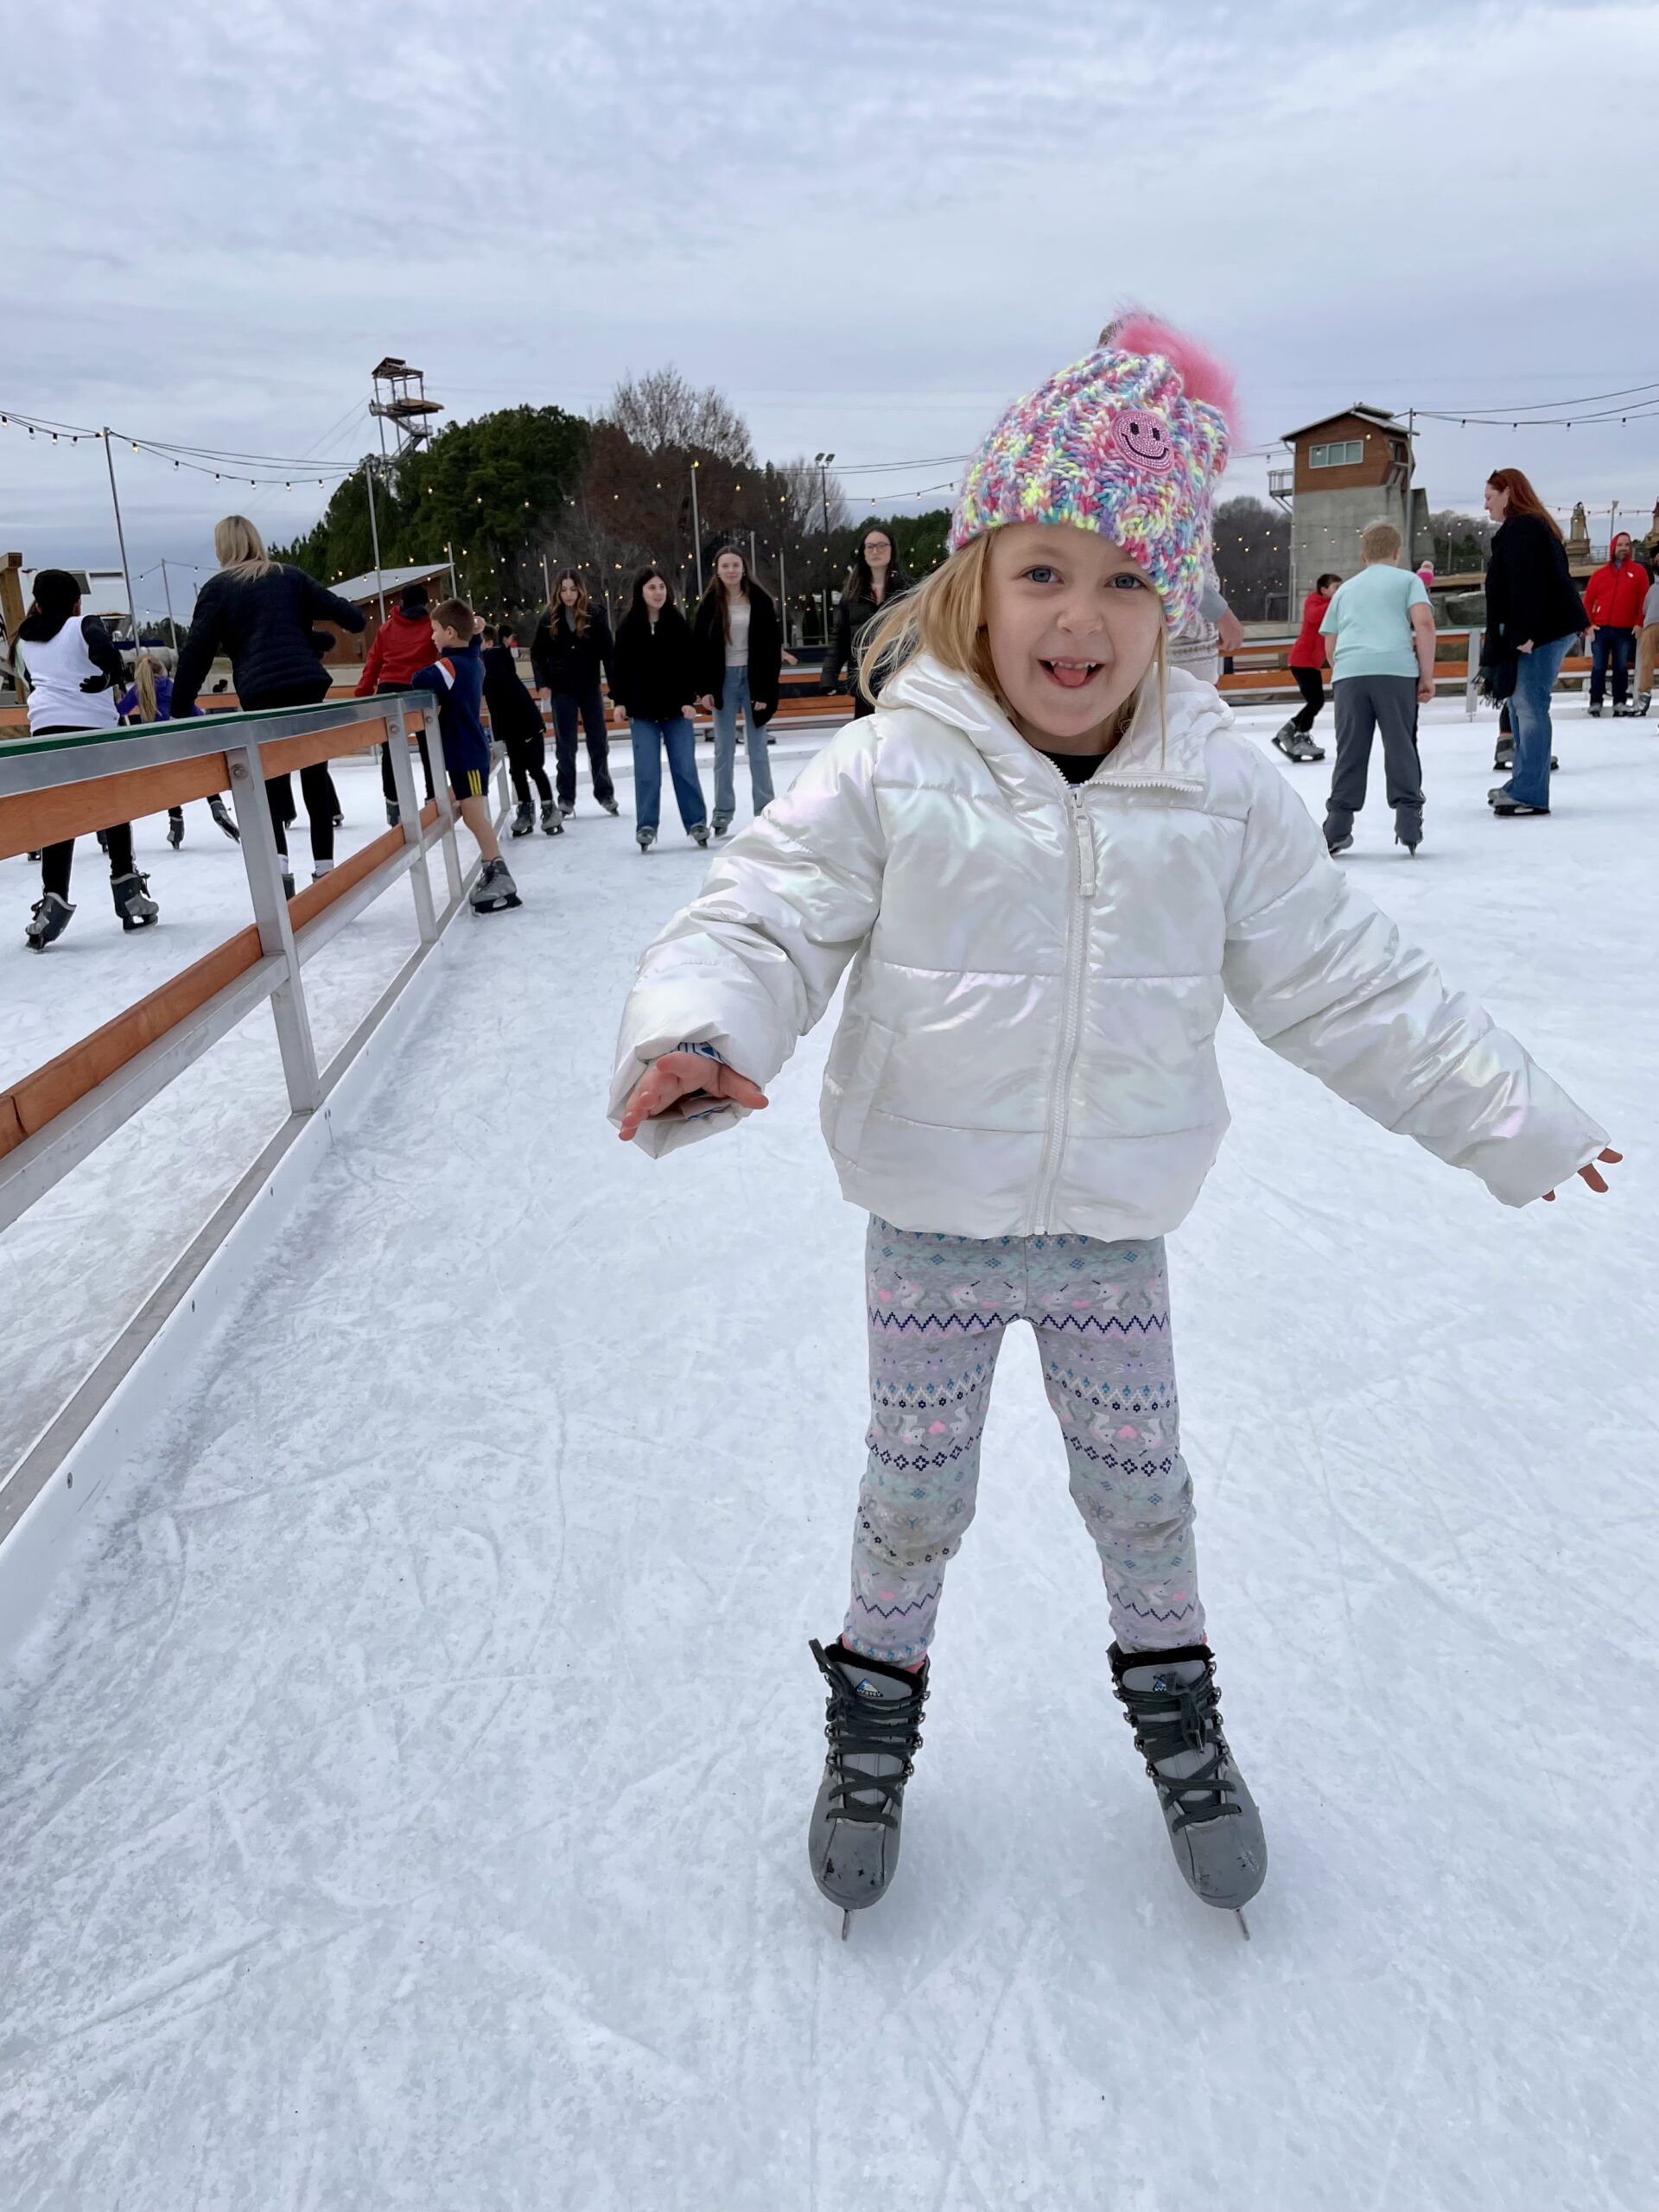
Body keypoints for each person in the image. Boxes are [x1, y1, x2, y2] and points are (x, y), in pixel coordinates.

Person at [608, 315, 1618, 1936]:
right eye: (1044, 572)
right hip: (930, 1218)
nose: (1081, 618)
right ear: (973, 583)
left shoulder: (1220, 789)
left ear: (1180, 605)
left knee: (1142, 1492)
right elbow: (767, 914)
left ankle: (1181, 1723)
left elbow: (1350, 984)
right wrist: (700, 1030)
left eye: (1129, 579)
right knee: (912, 1490)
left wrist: (1512, 1114)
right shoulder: (889, 768)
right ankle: (871, 1726)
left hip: (1111, 1229)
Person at [171, 518, 366, 894]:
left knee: (270, 778)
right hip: (307, 685)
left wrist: (179, 710)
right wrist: (311, 636)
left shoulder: (219, 589)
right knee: (314, 772)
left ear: (222, 548)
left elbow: (197, 653)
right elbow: (354, 619)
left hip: (261, 691)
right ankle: (325, 871)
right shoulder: (290, 576)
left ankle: (280, 874)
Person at [10, 568, 159, 949]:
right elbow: (104, 650)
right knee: (113, 806)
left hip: (45, 731)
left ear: (39, 605)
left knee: (60, 814)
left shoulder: (24, 640)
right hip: (93, 730)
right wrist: (110, 674)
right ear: (77, 602)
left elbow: (31, 679)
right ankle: (128, 891)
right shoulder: (83, 625)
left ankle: (52, 902)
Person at [1318, 522, 1434, 855]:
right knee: (1401, 744)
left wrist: (1343, 671)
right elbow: (1424, 624)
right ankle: (1409, 821)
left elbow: (1330, 641)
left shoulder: (1345, 591)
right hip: (1395, 671)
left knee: (1350, 749)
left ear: (1363, 555)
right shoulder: (1408, 581)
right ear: (1397, 553)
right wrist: (1426, 675)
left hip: (1351, 674)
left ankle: (1338, 825)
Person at [1480, 468, 1589, 817]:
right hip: (1547, 628)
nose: (1486, 506)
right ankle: (1523, 783)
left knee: (1528, 706)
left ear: (1508, 492)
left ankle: (1530, 792)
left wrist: (1525, 632)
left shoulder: (1524, 528)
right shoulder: (1527, 527)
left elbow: (1529, 584)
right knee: (1521, 705)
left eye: (1489, 497)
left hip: (1542, 631)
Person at [410, 596, 520, 913]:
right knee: (469, 810)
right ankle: (493, 869)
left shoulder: (450, 666)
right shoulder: (471, 662)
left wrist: (467, 636)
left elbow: (419, 678)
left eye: (434, 631)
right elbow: (468, 651)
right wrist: (472, 633)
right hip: (466, 751)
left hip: (467, 753)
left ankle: (497, 870)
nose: (431, 637)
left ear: (448, 632)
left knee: (473, 814)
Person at [612, 569, 710, 853]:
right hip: (642, 713)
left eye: (662, 586)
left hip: (677, 712)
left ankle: (696, 822)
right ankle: (646, 825)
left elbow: (689, 665)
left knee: (685, 769)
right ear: (640, 592)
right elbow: (620, 667)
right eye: (652, 587)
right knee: (647, 773)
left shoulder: (677, 624)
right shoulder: (628, 626)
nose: (658, 592)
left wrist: (689, 700)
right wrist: (619, 701)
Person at [693, 544, 785, 834]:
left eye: (735, 565)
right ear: (717, 571)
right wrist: (704, 688)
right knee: (724, 751)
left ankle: (764, 810)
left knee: (758, 750)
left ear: (743, 568)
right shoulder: (709, 604)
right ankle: (722, 813)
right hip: (724, 682)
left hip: (754, 681)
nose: (730, 570)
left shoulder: (760, 601)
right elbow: (700, 650)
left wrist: (766, 692)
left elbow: (771, 649)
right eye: (725, 566)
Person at [115, 654, 238, 849]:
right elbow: (195, 712)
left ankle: (176, 825)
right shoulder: (172, 686)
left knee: (170, 785)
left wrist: (118, 698)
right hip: (185, 742)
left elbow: (120, 710)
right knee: (204, 777)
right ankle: (217, 805)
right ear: (162, 670)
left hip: (159, 748)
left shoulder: (139, 691)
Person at [530, 573, 618, 818]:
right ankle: (566, 798)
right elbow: (537, 653)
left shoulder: (595, 615)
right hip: (562, 689)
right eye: (564, 590)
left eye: (573, 589)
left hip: (589, 686)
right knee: (565, 746)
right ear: (558, 592)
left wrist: (615, 688)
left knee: (598, 740)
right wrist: (543, 683)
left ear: (580, 590)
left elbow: (608, 653)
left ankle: (605, 792)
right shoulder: (549, 618)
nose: (568, 594)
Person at [356, 581, 441, 823]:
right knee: (429, 745)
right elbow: (442, 657)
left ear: (401, 603)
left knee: (391, 750)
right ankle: (434, 799)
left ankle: (394, 805)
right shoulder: (431, 627)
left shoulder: (386, 629)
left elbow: (373, 664)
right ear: (425, 603)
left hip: (389, 690)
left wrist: (361, 695)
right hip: (421, 688)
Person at [819, 527, 911, 716]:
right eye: (870, 547)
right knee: (867, 738)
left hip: (899, 682)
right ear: (863, 553)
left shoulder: (907, 590)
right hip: (865, 682)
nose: (875, 551)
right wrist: (829, 676)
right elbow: (840, 639)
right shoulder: (852, 595)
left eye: (881, 546)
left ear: (892, 549)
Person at [480, 623, 560, 838]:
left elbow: (495, 659)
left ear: (488, 643)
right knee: (516, 770)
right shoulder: (485, 664)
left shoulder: (495, 656)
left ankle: (549, 807)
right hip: (510, 726)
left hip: (526, 722)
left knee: (534, 768)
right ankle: (526, 808)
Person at [1274, 571, 1340, 763]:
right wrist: (1334, 603)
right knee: (1316, 701)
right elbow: (1312, 616)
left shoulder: (1329, 606)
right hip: (1302, 660)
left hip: (1311, 662)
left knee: (1316, 701)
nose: (1339, 592)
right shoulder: (1315, 601)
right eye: (1336, 588)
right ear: (1324, 589)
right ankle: (1298, 736)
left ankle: (1289, 731)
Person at [1582, 530, 1649, 717]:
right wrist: (1588, 626)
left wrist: (1639, 623)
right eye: (1620, 545)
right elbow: (1587, 602)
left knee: (1621, 667)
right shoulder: (1600, 575)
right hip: (1601, 629)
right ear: (1613, 547)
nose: (1624, 549)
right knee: (1599, 667)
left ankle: (1620, 702)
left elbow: (1644, 600)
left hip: (1625, 629)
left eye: (1627, 545)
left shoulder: (1638, 573)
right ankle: (1595, 701)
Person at [1636, 563, 1659, 716]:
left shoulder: (1652, 589)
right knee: (1647, 661)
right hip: (1650, 624)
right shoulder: (1652, 589)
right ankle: (1644, 695)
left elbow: (1644, 608)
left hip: (1651, 624)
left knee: (1647, 662)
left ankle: (1644, 695)